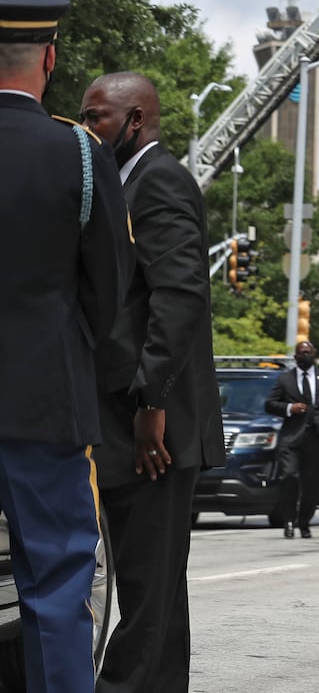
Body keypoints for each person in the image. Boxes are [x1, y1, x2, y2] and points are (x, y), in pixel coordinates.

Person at [0, 0, 130, 693]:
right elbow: (108, 291)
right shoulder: (80, 153)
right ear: (49, 58)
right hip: (45, 405)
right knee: (55, 584)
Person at [82, 71, 226, 693]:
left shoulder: (158, 180)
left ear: (135, 119)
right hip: (140, 418)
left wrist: (150, 402)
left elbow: (181, 294)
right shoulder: (120, 182)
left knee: (144, 591)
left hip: (154, 428)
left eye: (98, 118)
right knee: (159, 591)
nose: (87, 130)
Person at [266, 341, 319, 539]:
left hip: (316, 440)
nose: (305, 355)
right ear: (296, 357)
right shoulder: (285, 379)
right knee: (289, 477)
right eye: (302, 353)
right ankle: (289, 521)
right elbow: (269, 404)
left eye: (309, 352)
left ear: (314, 354)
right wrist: (289, 408)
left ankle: (304, 521)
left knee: (312, 484)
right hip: (291, 438)